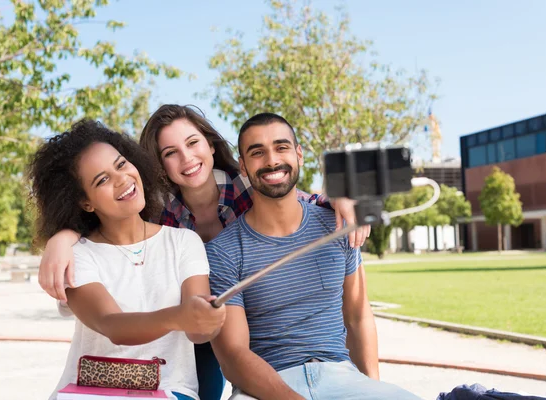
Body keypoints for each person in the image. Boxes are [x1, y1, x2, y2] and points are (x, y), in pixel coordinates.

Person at [36, 105, 370, 400]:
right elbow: (110, 228)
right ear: (158, 165)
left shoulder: (246, 186)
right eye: (170, 152)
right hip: (185, 334)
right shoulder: (158, 213)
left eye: (193, 143)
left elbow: (294, 207)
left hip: (239, 322)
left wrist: (336, 198)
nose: (186, 158)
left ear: (210, 145)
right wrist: (63, 237)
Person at [207, 113, 422, 400]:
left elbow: (358, 316)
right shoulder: (223, 251)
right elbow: (234, 356)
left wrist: (373, 388)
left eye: (281, 147)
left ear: (299, 155)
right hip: (265, 387)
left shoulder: (337, 225)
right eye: (257, 152)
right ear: (243, 167)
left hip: (341, 377)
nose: (271, 160)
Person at [28, 120, 226, 400]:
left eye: (121, 165)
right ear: (86, 202)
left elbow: (197, 333)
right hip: (90, 392)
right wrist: (180, 316)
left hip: (169, 390)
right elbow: (112, 324)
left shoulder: (184, 242)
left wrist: (203, 320)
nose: (122, 179)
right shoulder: (76, 255)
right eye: (102, 180)